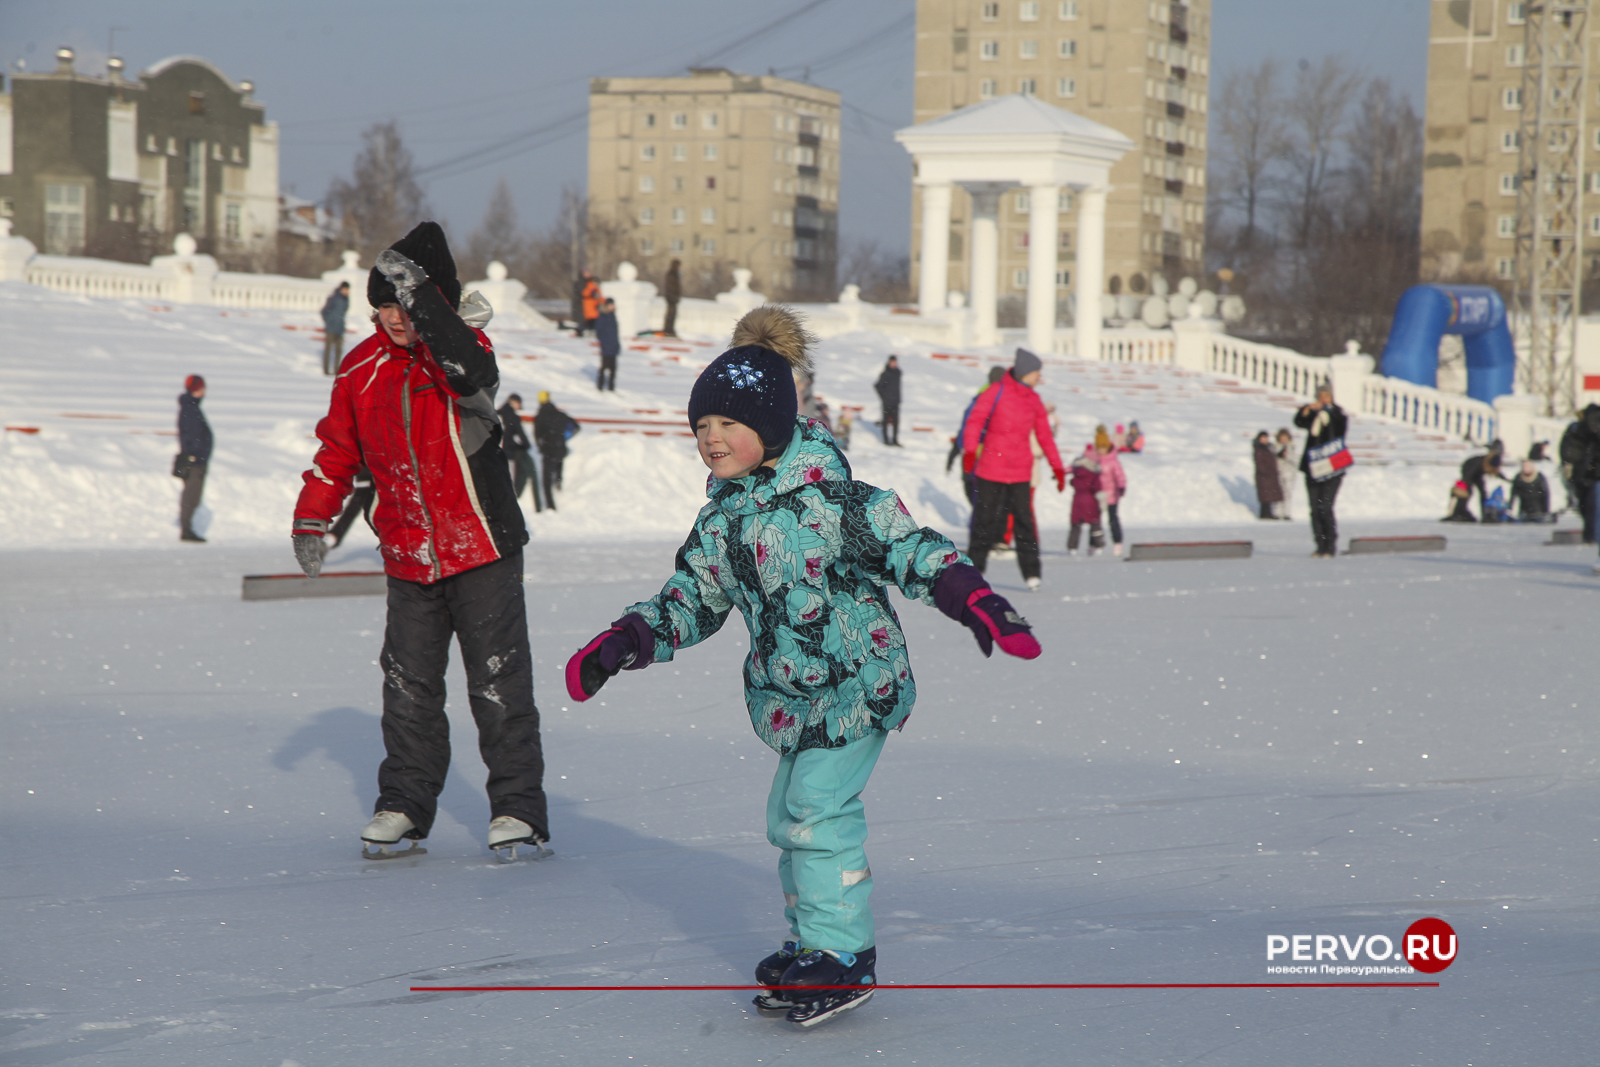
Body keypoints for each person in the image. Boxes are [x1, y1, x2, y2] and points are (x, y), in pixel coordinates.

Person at [562, 305, 1041, 1029]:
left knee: (818, 813)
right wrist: (627, 639)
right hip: (790, 699)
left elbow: (906, 545)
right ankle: (811, 940)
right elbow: (692, 596)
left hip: (858, 684)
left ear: (773, 426)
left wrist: (967, 593)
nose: (711, 439)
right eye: (701, 428)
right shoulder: (723, 520)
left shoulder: (832, 501)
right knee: (789, 818)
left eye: (727, 425)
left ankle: (843, 953)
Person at [288, 221, 547, 862]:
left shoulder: (461, 351)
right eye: (383, 303)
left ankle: (518, 812)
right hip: (409, 554)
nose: (394, 317)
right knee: (407, 688)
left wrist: (424, 298)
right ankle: (404, 804)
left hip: (481, 546)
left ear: (430, 301)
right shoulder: (361, 369)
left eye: (405, 302)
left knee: (497, 685)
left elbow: (467, 368)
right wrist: (311, 517)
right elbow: (337, 451)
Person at [961, 348, 1066, 590]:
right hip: (991, 469)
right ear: (1026, 372)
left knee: (1024, 522)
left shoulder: (1033, 400)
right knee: (983, 521)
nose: (1039, 377)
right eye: (1037, 372)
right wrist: (969, 451)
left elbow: (1044, 436)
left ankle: (1032, 574)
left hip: (1020, 471)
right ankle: (974, 573)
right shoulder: (996, 392)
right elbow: (975, 420)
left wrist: (1057, 467)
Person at [1294, 383, 1349, 558]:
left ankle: (1330, 544)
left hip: (1332, 466)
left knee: (1325, 506)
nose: (1323, 399)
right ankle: (1319, 544)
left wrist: (1328, 414)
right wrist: (1308, 410)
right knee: (1314, 509)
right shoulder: (1313, 414)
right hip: (1313, 466)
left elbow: (1340, 430)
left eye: (1327, 396)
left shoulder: (1338, 414)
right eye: (1321, 396)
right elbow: (1299, 422)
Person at [175, 374, 212, 543]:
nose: (204, 391)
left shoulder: (191, 407)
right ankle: (186, 530)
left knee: (192, 496)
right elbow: (192, 434)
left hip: (196, 459)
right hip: (195, 461)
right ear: (196, 389)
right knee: (191, 496)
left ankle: (187, 529)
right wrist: (195, 454)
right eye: (202, 387)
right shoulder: (190, 409)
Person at [1559, 403, 1600, 544]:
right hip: (1591, 470)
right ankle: (1592, 535)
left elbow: (1566, 449)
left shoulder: (1576, 428)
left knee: (1585, 503)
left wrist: (1567, 463)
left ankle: (1590, 534)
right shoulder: (1583, 428)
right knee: (1592, 505)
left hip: (1581, 470)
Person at [534, 390, 581, 510]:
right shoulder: (560, 414)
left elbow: (537, 436)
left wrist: (542, 446)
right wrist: (564, 437)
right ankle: (559, 484)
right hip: (560, 449)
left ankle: (551, 506)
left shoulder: (539, 417)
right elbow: (576, 427)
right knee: (558, 469)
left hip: (548, 451)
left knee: (546, 481)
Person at [499, 393, 541, 512]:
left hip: (498, 451)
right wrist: (525, 445)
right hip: (510, 452)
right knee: (521, 476)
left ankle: (508, 501)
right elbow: (520, 433)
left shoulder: (499, 413)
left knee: (505, 479)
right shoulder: (512, 416)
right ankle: (514, 502)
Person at [1067, 445, 1105, 555]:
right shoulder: (1093, 474)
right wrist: (1102, 501)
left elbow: (1073, 482)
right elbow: (1097, 488)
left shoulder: (1077, 471)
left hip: (1077, 502)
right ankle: (1098, 545)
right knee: (1095, 525)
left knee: (1075, 526)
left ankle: (1072, 547)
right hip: (1091, 502)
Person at [329, 464, 376, 547]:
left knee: (360, 499)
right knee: (361, 498)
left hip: (367, 465)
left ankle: (334, 535)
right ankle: (334, 536)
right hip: (372, 466)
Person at [1097, 433, 1128, 555]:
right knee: (1095, 521)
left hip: (1112, 496)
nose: (1101, 450)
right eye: (1099, 447)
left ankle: (1117, 542)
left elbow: (1120, 476)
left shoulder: (1113, 461)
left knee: (1113, 519)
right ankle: (1096, 544)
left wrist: (1121, 487)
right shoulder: (1095, 460)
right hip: (1099, 496)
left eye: (1103, 447)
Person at [1460, 440, 1505, 520]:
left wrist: (1507, 480)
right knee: (1468, 492)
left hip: (1477, 474)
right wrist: (1465, 483)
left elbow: (1497, 472)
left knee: (1483, 493)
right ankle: (1461, 511)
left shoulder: (1492, 461)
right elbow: (1469, 473)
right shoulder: (1480, 462)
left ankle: (1485, 515)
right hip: (1468, 470)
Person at [320, 281, 350, 376]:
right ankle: (326, 370)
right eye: (345, 289)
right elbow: (324, 311)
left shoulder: (346, 299)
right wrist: (329, 321)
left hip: (340, 328)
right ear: (341, 289)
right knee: (328, 350)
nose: (347, 291)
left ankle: (336, 370)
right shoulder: (334, 298)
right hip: (331, 328)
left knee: (338, 350)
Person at [1253, 430, 1283, 520]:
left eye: (1266, 438)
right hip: (1264, 477)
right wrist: (1268, 472)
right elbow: (1260, 464)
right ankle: (1265, 515)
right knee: (1265, 497)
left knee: (1268, 497)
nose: (1265, 440)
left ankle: (1267, 514)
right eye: (1263, 438)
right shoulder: (1259, 449)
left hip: (1269, 477)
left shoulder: (1268, 448)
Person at [874, 355, 902, 446]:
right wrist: (884, 397)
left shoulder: (898, 373)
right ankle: (886, 440)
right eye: (892, 362)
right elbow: (877, 386)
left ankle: (895, 440)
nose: (894, 364)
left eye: (895, 362)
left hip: (895, 402)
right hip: (887, 402)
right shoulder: (886, 373)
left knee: (896, 422)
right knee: (885, 422)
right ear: (889, 362)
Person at [595, 297, 620, 390]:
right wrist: (604, 343)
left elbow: (615, 333)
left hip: (613, 346)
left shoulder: (613, 316)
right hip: (606, 347)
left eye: (613, 305)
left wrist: (617, 345)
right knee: (604, 367)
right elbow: (599, 332)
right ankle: (600, 386)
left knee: (613, 369)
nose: (612, 307)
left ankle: (611, 387)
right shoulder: (602, 316)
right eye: (610, 305)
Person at [1274, 427, 1297, 519]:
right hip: (1279, 472)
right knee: (1278, 493)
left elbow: (1295, 459)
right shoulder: (1276, 446)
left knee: (1288, 493)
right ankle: (1278, 512)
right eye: (1282, 438)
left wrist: (1287, 455)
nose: (1283, 440)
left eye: (1285, 438)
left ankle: (1287, 513)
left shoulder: (1291, 446)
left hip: (1289, 473)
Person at [573, 268, 601, 337]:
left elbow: (598, 295)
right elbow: (583, 293)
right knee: (584, 321)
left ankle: (587, 331)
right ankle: (582, 331)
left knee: (591, 320)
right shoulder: (582, 283)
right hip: (584, 306)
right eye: (586, 273)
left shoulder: (591, 282)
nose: (588, 274)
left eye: (588, 273)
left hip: (591, 306)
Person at [662, 258, 682, 337]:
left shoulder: (675, 274)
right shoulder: (672, 274)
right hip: (671, 298)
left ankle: (670, 330)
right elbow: (670, 287)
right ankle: (668, 330)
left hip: (673, 297)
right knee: (670, 314)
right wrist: (672, 297)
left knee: (672, 314)